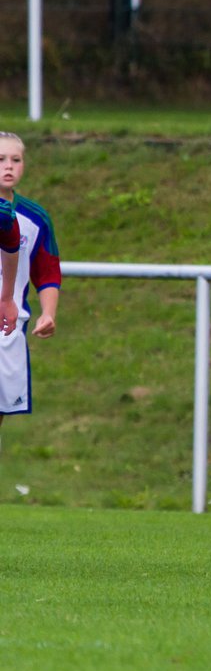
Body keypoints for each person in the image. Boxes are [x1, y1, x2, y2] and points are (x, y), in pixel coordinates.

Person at [0, 132, 62, 453]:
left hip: (9, 330)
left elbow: (47, 272)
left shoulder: (35, 218)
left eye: (15, 159)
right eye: (0, 159)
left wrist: (48, 313)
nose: (8, 166)